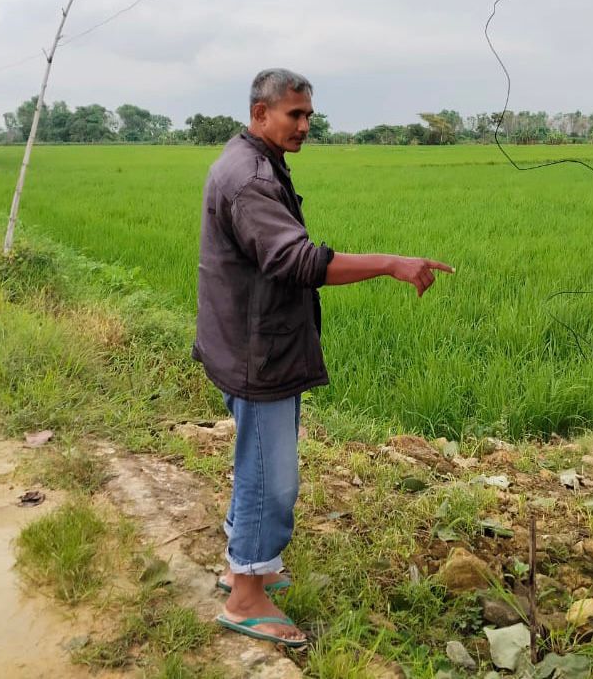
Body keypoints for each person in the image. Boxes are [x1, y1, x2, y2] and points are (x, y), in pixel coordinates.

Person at [192, 68, 453, 645]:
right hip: (256, 351)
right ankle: (245, 597)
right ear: (260, 113)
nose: (306, 125)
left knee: (256, 463)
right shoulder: (250, 179)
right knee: (270, 478)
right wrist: (390, 262)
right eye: (295, 114)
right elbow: (299, 261)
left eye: (309, 114)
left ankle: (246, 565)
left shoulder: (247, 161)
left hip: (245, 340)